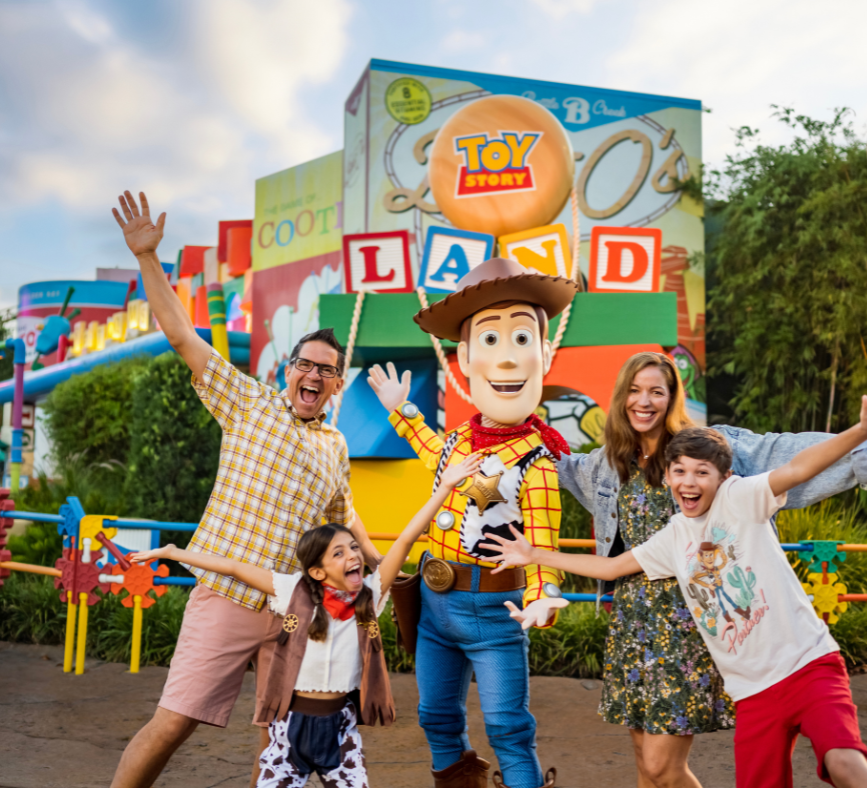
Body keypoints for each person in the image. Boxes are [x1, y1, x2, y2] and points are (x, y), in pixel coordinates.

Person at [487, 389, 867, 788]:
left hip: (807, 667)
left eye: (702, 472)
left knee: (844, 762)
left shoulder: (742, 499)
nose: (689, 481)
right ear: (666, 478)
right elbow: (612, 566)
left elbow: (799, 465)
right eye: (679, 471)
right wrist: (533, 554)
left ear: (724, 477)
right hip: (752, 695)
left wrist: (865, 433)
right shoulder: (673, 537)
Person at [109, 191, 381, 788]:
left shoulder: (336, 445)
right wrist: (148, 258)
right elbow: (182, 335)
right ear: (289, 368)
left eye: (327, 370)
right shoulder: (248, 403)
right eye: (306, 364)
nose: (314, 375)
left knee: (279, 748)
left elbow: (343, 517)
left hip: (292, 610)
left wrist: (382, 564)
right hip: (227, 595)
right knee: (172, 723)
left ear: (337, 384)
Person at [128, 452, 484, 787]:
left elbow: (406, 539)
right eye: (338, 553)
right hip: (288, 732)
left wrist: (444, 488)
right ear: (316, 571)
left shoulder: (369, 594)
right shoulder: (292, 592)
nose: (353, 555)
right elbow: (234, 567)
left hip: (341, 732)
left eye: (354, 548)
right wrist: (174, 552)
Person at [367, 257, 577, 788]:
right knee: (435, 718)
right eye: (489, 339)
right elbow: (433, 453)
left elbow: (544, 542)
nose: (505, 357)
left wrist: (543, 595)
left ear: (543, 353)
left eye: (521, 339)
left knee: (509, 729)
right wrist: (401, 409)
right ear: (464, 356)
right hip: (434, 606)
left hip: (494, 610)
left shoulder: (537, 460)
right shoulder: (462, 438)